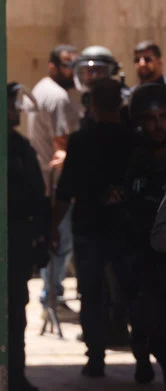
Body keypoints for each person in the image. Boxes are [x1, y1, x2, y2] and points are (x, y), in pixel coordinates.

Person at [50, 78, 136, 377]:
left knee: (92, 294)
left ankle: (96, 358)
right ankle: (142, 359)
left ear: (94, 106)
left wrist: (52, 227)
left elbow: (65, 192)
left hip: (89, 228)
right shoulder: (133, 139)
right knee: (131, 292)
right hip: (127, 230)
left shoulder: (81, 141)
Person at [25, 44, 81, 318]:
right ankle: (51, 298)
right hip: (56, 180)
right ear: (53, 66)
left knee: (53, 236)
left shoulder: (40, 88)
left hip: (41, 177)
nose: (73, 71)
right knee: (62, 240)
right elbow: (62, 146)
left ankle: (50, 296)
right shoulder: (58, 97)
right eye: (68, 65)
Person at [120, 83, 166, 384]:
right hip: (140, 254)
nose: (159, 125)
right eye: (151, 118)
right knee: (144, 318)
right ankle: (142, 357)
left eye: (164, 116)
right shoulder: (129, 154)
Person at [7, 82, 48, 391]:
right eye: (10, 105)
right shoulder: (0, 147)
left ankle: (16, 375)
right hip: (2, 240)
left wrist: (42, 238)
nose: (16, 110)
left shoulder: (21, 148)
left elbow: (38, 196)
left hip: (18, 241)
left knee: (16, 312)